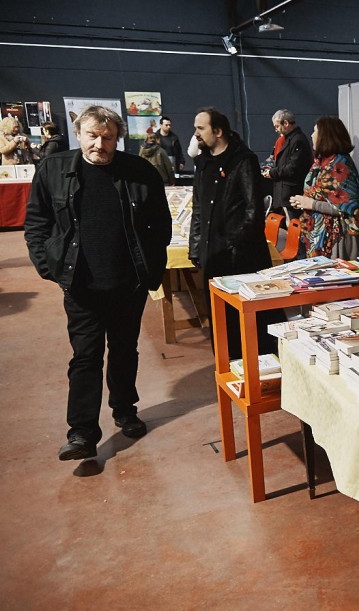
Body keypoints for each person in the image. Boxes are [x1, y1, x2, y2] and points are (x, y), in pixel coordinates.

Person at [24, 105, 171, 460]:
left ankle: (125, 410)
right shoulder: (53, 170)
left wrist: (148, 268)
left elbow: (160, 225)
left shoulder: (139, 171)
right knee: (85, 357)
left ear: (117, 137)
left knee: (124, 350)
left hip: (127, 283)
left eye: (107, 137)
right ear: (79, 134)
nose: (100, 145)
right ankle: (82, 432)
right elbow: (37, 223)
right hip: (80, 285)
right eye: (93, 136)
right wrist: (50, 267)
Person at [190, 107, 278, 358]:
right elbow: (198, 208)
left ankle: (257, 369)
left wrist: (233, 244)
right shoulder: (203, 162)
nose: (195, 133)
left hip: (241, 257)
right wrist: (196, 247)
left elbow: (253, 210)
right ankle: (227, 367)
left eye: (200, 128)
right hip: (212, 253)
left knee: (250, 319)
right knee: (219, 319)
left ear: (217, 131)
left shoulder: (242, 160)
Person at [287, 116, 359, 259]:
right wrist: (302, 201)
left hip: (338, 237)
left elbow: (349, 208)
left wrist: (312, 204)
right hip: (318, 233)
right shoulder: (321, 163)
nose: (311, 135)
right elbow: (318, 193)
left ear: (326, 135)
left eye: (315, 131)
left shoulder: (339, 165)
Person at [262, 109, 312, 215]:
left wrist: (272, 172)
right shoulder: (292, 139)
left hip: (291, 193)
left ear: (286, 123)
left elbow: (293, 168)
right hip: (286, 193)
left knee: (292, 224)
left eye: (277, 126)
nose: (276, 130)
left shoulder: (297, 140)